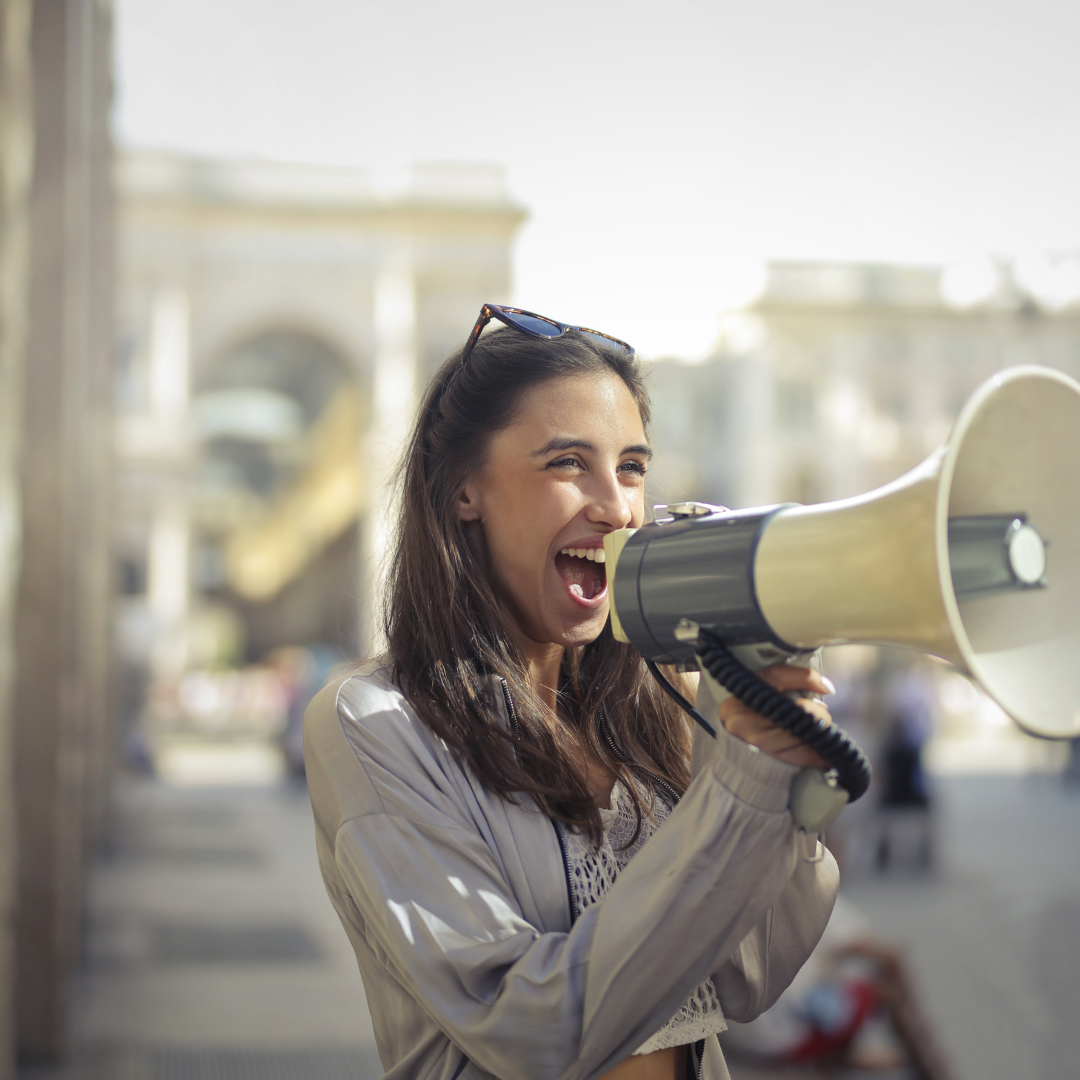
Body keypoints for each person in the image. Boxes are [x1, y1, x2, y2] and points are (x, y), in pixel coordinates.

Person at [304, 305, 840, 1080]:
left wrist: (775, 781)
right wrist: (736, 792)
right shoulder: (374, 722)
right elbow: (529, 1030)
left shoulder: (660, 703)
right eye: (566, 464)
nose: (617, 506)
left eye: (631, 467)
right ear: (462, 491)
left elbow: (745, 976)